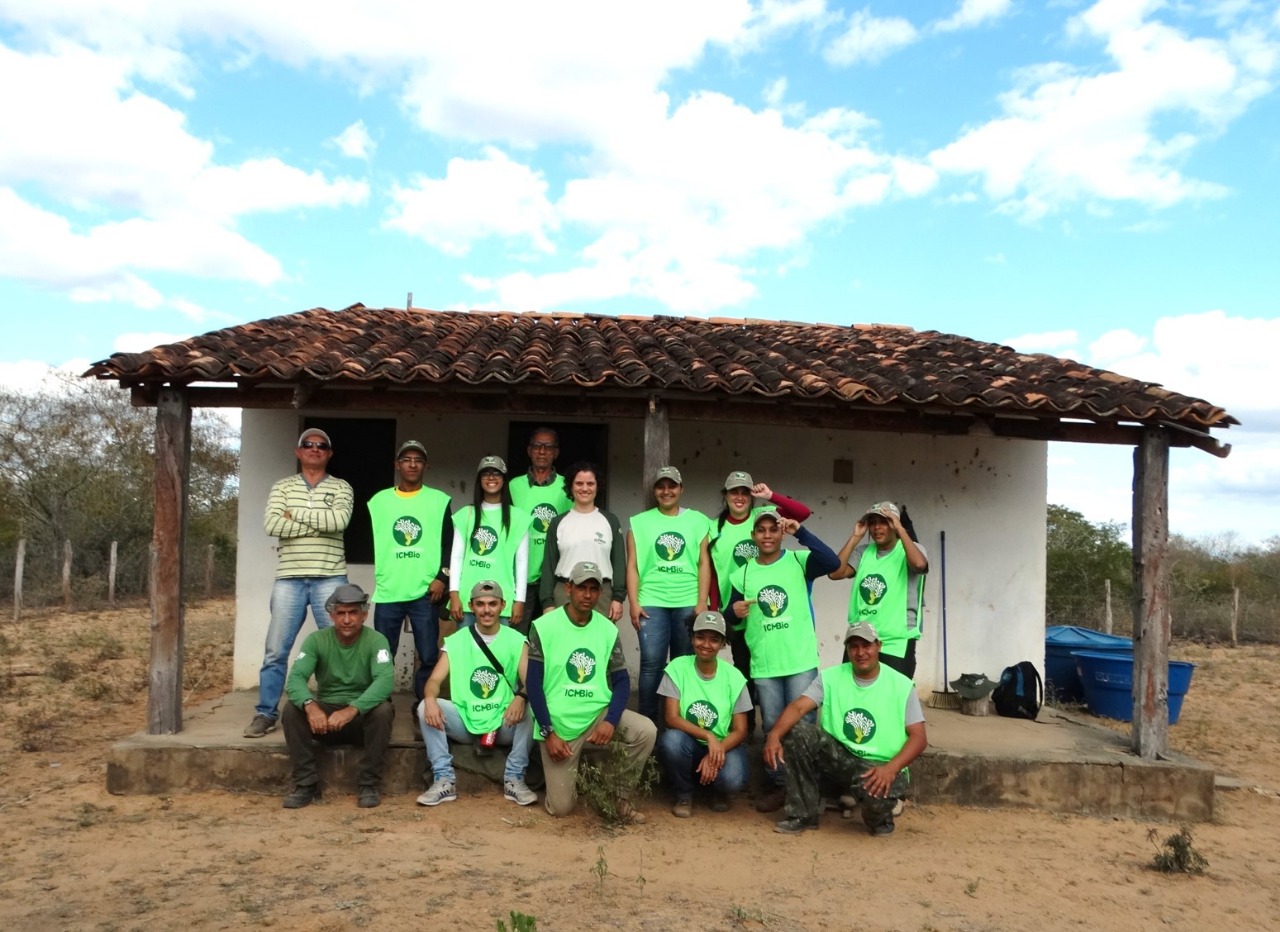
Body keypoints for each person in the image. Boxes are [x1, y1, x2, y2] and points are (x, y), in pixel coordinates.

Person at [763, 621, 927, 836]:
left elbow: (919, 738)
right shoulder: (830, 677)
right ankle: (803, 815)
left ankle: (878, 818)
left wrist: (891, 768)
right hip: (838, 758)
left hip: (879, 765)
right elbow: (799, 706)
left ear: (878, 645)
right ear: (848, 650)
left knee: (881, 794)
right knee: (798, 732)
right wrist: (774, 735)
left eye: (866, 645)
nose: (860, 652)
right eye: (854, 646)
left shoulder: (901, 685)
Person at [728, 508, 840, 813]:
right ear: (753, 536)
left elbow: (832, 562)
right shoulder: (744, 572)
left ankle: (806, 789)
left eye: (773, 529)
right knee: (773, 727)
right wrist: (733, 612)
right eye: (761, 530)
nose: (767, 535)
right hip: (765, 664)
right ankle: (781, 787)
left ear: (780, 533)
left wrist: (800, 532)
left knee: (803, 728)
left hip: (799, 661)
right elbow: (730, 614)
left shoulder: (798, 561)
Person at [245, 428, 354, 739]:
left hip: (331, 579)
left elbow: (339, 522)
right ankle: (265, 714)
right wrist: (317, 517)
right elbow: (271, 524)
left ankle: (334, 711)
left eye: (321, 445)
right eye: (308, 444)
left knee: (337, 650)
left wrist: (297, 516)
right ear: (298, 451)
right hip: (289, 580)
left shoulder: (342, 487)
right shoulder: (282, 487)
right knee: (276, 651)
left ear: (329, 454)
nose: (314, 449)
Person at [527, 561, 657, 821]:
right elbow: (533, 683)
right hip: (560, 724)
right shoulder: (544, 626)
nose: (587, 595)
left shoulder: (607, 629)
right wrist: (548, 732)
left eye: (593, 589)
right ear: (568, 589)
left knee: (646, 730)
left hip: (597, 713)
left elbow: (621, 682)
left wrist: (610, 721)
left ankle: (619, 797)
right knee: (561, 809)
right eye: (581, 588)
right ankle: (576, 784)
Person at [416, 580, 538, 808]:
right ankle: (444, 780)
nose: (486, 610)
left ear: (503, 606)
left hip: (503, 723)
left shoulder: (516, 640)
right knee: (424, 708)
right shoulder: (456, 641)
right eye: (480, 604)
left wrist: (521, 697)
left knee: (533, 708)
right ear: (471, 606)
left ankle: (514, 778)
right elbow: (433, 680)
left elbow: (530, 680)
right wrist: (431, 698)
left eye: (492, 604)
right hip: (465, 719)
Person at [708, 470, 812, 734]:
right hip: (736, 607)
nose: (740, 497)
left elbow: (803, 513)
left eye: (745, 492)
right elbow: (709, 569)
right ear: (726, 495)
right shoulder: (713, 528)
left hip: (767, 612)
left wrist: (770, 496)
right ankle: (747, 731)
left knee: (767, 671)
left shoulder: (761, 517)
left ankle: (780, 733)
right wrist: (715, 610)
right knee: (745, 673)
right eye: (734, 492)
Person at [280, 584, 395, 809]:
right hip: (326, 720)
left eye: (353, 612)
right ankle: (306, 785)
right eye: (341, 613)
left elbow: (385, 681)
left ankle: (368, 784)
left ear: (364, 614)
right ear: (332, 615)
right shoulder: (316, 640)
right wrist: (310, 705)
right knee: (291, 710)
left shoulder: (377, 640)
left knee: (383, 710)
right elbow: (295, 678)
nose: (347, 619)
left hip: (360, 720)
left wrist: (352, 709)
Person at [366, 440, 452, 699]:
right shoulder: (379, 501)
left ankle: (421, 708)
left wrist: (442, 577)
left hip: (425, 592)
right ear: (397, 465)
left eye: (418, 460)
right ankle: (381, 705)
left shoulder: (439, 500)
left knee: (427, 655)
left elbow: (450, 543)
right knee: (382, 656)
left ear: (426, 465)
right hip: (389, 590)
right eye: (406, 459)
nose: (412, 464)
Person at [626, 466, 711, 724]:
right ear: (655, 491)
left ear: (681, 489)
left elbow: (703, 563)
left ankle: (679, 723)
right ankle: (649, 724)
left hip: (688, 602)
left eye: (672, 486)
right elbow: (632, 565)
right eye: (661, 486)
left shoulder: (698, 520)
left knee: (683, 664)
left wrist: (701, 603)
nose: (666, 491)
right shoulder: (638, 523)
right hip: (651, 602)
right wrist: (634, 602)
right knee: (651, 664)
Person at [656, 610, 751, 818]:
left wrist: (715, 751)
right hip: (689, 744)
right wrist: (708, 736)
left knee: (734, 777)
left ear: (723, 643)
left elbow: (741, 730)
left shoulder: (734, 677)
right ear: (691, 638)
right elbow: (671, 718)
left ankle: (717, 792)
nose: (706, 645)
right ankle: (684, 793)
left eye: (714, 640)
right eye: (700, 637)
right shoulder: (677, 668)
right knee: (671, 741)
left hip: (722, 746)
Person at [829, 501, 929, 680]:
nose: (877, 528)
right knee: (855, 696)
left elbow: (920, 565)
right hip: (861, 638)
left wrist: (900, 529)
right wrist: (854, 538)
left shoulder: (911, 549)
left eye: (884, 522)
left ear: (894, 524)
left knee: (892, 699)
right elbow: (835, 573)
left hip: (896, 640)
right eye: (873, 523)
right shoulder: (863, 552)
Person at [449, 455, 531, 628]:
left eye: (496, 473)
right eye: (486, 474)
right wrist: (454, 594)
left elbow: (522, 562)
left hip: (503, 602)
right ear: (479, 479)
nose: (491, 478)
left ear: (504, 479)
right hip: (467, 600)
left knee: (499, 653)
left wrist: (520, 600)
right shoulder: (467, 514)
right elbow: (456, 557)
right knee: (466, 653)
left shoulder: (518, 517)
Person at [539, 461, 625, 621]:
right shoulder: (558, 522)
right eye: (579, 483)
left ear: (597, 486)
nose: (585, 488)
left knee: (598, 643)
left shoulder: (610, 521)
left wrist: (618, 598)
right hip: (564, 592)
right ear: (571, 487)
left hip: (601, 593)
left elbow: (619, 562)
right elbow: (549, 565)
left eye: (590, 483)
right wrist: (547, 602)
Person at [508, 428, 573, 632]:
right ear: (529, 450)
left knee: (552, 637)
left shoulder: (568, 487)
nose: (542, 451)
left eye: (548, 446)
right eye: (537, 446)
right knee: (517, 637)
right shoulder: (513, 486)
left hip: (555, 579)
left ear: (556, 452)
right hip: (521, 578)